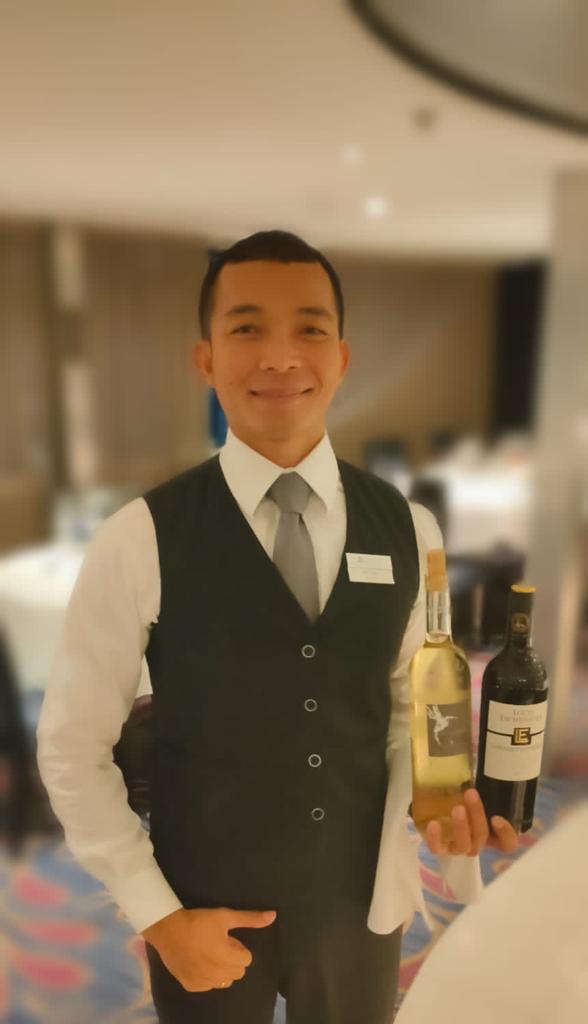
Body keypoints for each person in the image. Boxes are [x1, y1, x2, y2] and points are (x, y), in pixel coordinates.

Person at [36, 230, 519, 1024]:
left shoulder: (411, 529)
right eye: (247, 327)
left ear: (342, 357)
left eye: (310, 329)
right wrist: (158, 917)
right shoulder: (141, 536)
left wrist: (440, 803)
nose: (281, 356)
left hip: (361, 906)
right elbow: (71, 746)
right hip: (201, 908)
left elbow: (410, 703)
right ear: (205, 358)